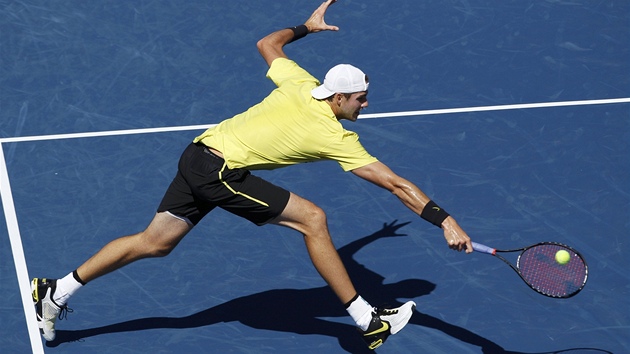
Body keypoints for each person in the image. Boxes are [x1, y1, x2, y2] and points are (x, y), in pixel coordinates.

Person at [31, 0, 473, 349]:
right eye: (360, 98)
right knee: (312, 219)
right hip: (220, 169)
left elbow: (267, 43)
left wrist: (305, 26)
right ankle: (367, 320)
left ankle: (55, 291)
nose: (366, 105)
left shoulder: (300, 83)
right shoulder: (335, 137)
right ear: (338, 98)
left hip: (198, 154)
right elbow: (395, 183)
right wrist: (444, 220)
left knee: (156, 243)